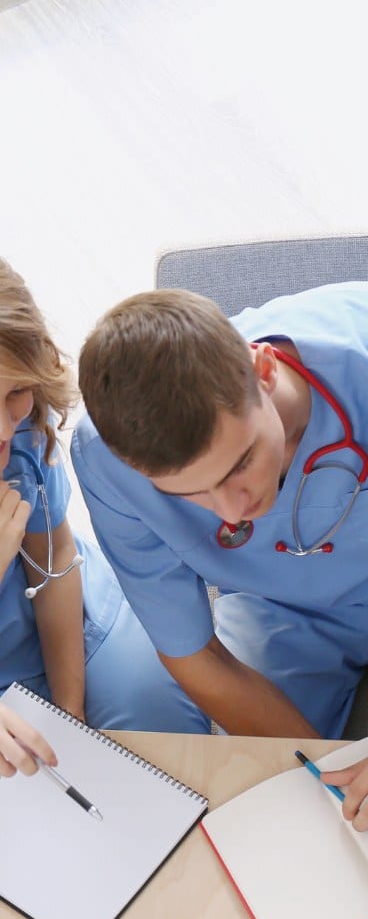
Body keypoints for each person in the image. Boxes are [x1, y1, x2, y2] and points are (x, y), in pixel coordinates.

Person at [73, 283, 368, 833]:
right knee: (272, 812)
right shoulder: (104, 459)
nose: (230, 511)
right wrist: (333, 783)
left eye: (239, 464)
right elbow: (195, 656)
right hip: (279, 612)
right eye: (189, 494)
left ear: (263, 370)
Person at [0, 259, 203, 734]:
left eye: (16, 391)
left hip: (66, 623)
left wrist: (70, 710)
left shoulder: (26, 435)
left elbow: (54, 559)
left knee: (159, 724)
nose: (4, 428)